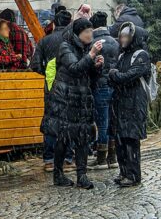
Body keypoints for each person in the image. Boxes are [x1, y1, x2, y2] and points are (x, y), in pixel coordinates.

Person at [40, 19, 103, 189]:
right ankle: (58, 174)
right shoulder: (65, 47)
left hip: (82, 101)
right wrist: (90, 56)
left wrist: (97, 66)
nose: (91, 34)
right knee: (64, 137)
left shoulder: (85, 48)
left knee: (82, 136)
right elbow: (74, 68)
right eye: (87, 31)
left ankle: (82, 175)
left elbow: (89, 78)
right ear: (78, 33)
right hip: (65, 100)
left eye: (91, 31)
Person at [108, 22, 151, 187]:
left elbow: (128, 76)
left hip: (134, 103)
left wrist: (115, 75)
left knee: (131, 140)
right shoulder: (122, 55)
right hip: (120, 102)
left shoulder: (141, 55)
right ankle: (123, 171)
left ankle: (133, 175)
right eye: (122, 36)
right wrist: (115, 75)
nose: (123, 39)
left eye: (126, 36)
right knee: (120, 139)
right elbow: (113, 76)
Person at [30, 10, 73, 172]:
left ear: (54, 23)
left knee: (50, 121)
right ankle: (68, 159)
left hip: (51, 86)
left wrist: (47, 73)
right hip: (69, 85)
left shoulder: (45, 41)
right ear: (70, 24)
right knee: (69, 121)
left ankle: (49, 159)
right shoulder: (72, 41)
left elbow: (34, 64)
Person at [88, 11, 119, 170]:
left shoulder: (93, 43)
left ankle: (100, 158)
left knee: (102, 122)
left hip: (99, 86)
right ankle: (112, 157)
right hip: (114, 84)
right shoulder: (115, 42)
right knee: (112, 121)